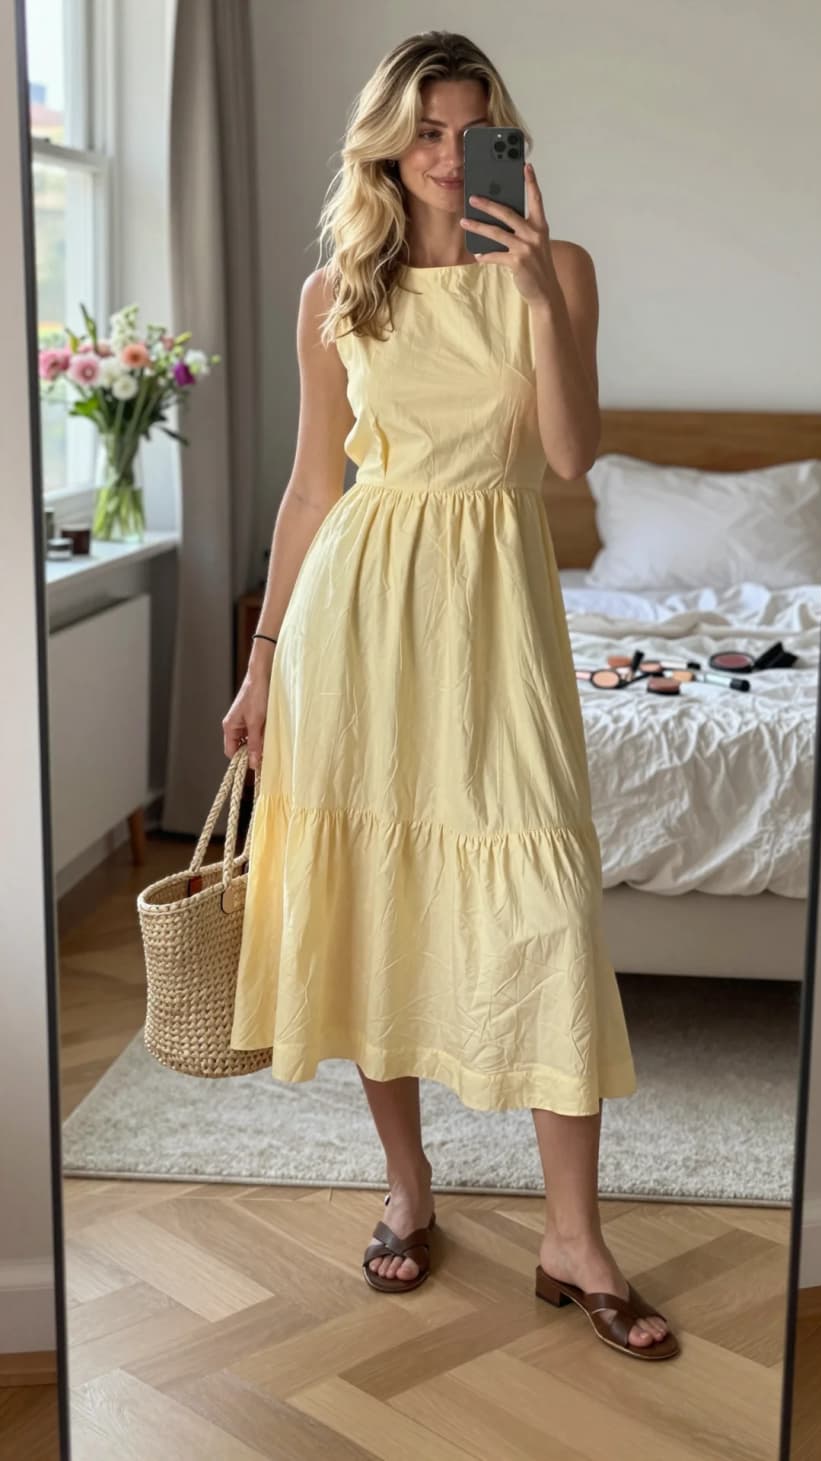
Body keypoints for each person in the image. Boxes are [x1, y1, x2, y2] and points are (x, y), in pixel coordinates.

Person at [222, 30, 678, 1360]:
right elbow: (314, 491)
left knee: (539, 897)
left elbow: (575, 456)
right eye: (423, 131)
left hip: (495, 607)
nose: (441, 155)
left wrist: (537, 290)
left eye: (467, 129)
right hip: (361, 619)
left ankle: (573, 1233)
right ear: (386, 139)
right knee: (377, 899)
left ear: (501, 141)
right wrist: (260, 665)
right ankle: (408, 1187)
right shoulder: (336, 292)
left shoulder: (561, 270)